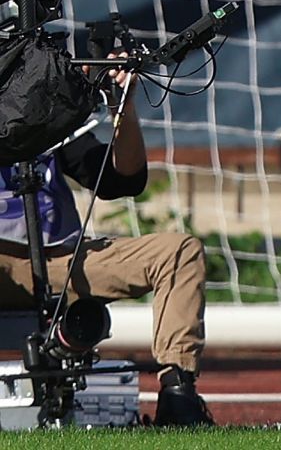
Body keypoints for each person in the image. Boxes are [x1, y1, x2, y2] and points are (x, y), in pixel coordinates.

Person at [0, 52, 212, 427]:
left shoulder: (42, 114)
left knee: (177, 252)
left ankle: (178, 395)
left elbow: (122, 180)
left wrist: (122, 108)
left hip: (61, 262)